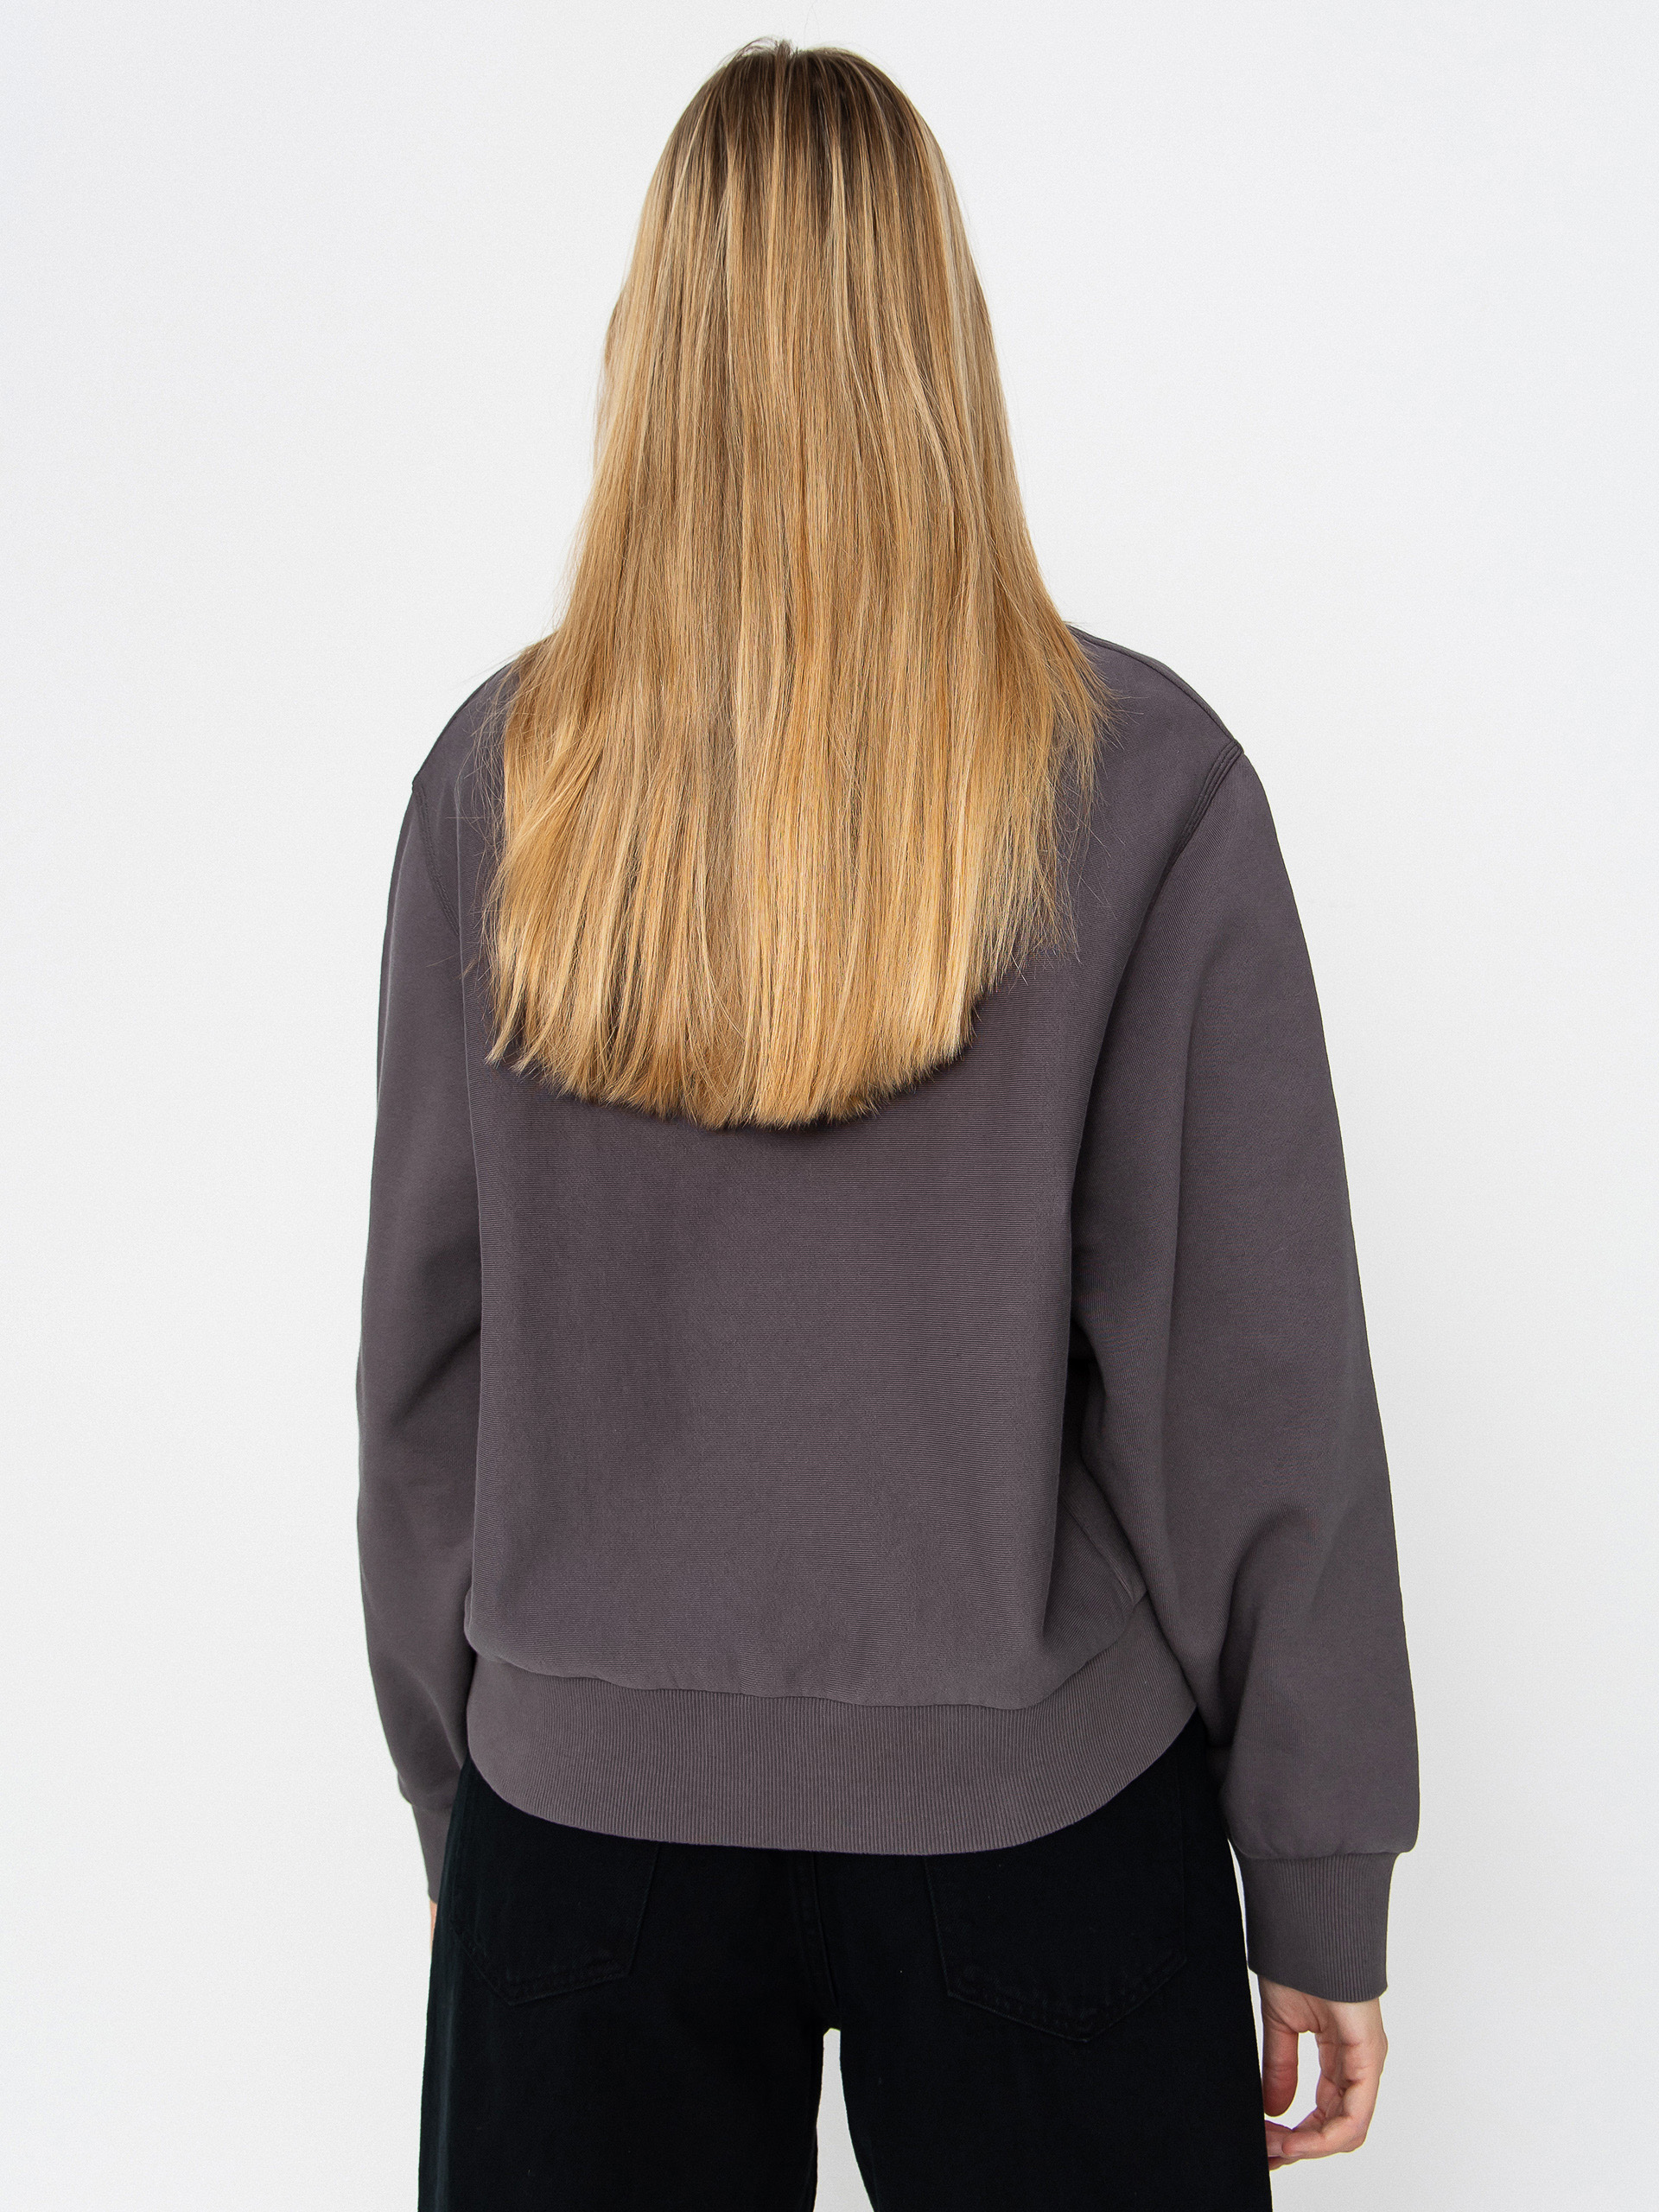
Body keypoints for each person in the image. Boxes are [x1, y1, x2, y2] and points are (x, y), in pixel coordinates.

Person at [356, 39, 1417, 2211]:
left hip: (589, 1833)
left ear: (652, 343)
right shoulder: (1141, 778)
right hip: (1040, 1816)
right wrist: (1317, 1867)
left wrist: (468, 1787)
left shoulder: (504, 783)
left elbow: (423, 1368)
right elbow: (1250, 1381)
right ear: (946, 336)